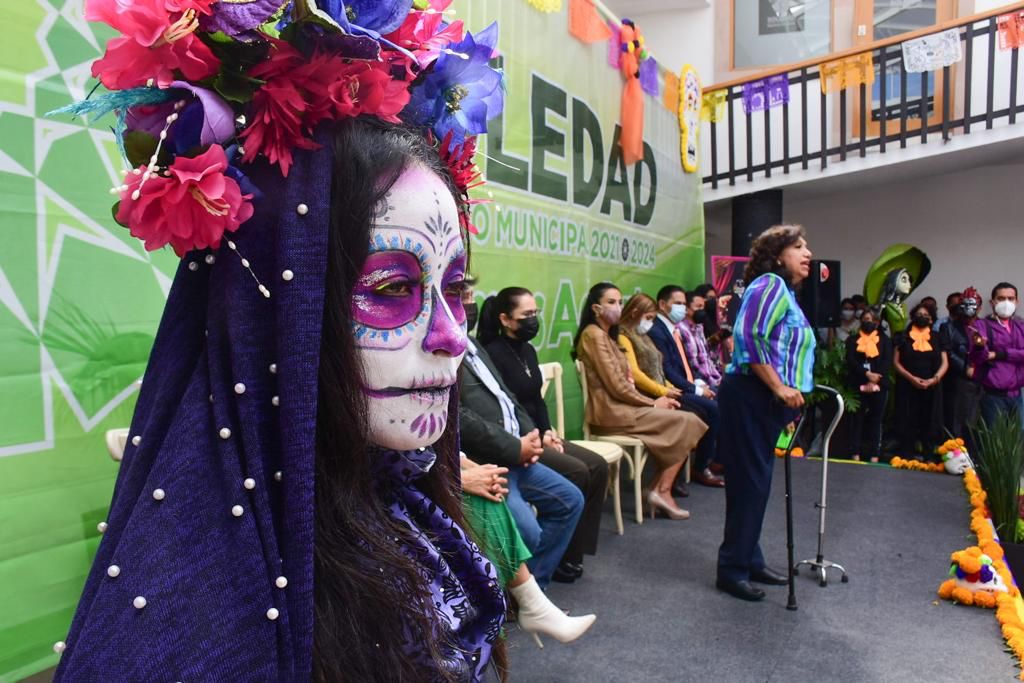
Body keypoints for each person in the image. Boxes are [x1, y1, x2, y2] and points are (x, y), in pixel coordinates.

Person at [52, 4, 510, 676]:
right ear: (279, 306)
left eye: (458, 289)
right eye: (391, 289)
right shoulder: (198, 622)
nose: (451, 338)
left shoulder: (399, 495)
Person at [477, 287, 609, 584]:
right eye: (527, 315)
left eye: (535, 313)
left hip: (539, 433)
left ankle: (572, 554)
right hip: (520, 440)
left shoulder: (527, 350)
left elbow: (536, 400)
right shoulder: (493, 353)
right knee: (577, 471)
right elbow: (506, 407)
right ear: (506, 319)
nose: (534, 320)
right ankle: (552, 563)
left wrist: (549, 431)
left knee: (597, 466)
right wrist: (535, 436)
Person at [715, 224, 816, 603]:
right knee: (749, 484)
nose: (807, 253)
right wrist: (777, 386)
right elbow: (751, 336)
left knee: (756, 482)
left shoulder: (783, 290)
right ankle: (731, 570)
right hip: (750, 394)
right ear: (777, 255)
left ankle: (749, 558)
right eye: (798, 247)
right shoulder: (770, 284)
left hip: (762, 398)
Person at [573, 283, 708, 520]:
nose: (618, 307)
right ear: (596, 308)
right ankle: (660, 491)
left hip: (625, 408)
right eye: (611, 302)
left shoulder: (607, 335)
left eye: (620, 301)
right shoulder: (593, 335)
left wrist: (656, 400)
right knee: (689, 422)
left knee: (689, 420)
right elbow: (617, 387)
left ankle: (658, 489)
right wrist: (652, 404)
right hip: (611, 413)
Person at [460, 457, 595, 647]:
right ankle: (528, 603)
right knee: (505, 515)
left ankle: (531, 600)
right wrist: (458, 477)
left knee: (574, 493)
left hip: (510, 458)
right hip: (493, 454)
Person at [647, 285, 724, 488]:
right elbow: (668, 370)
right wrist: (696, 390)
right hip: (670, 389)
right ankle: (701, 467)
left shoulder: (673, 329)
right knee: (712, 408)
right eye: (678, 304)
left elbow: (686, 364)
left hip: (685, 384)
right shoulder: (657, 331)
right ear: (662, 305)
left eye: (683, 303)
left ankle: (717, 459)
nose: (681, 308)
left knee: (721, 399)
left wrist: (698, 382)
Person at [893, 303, 949, 459]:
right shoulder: (903, 336)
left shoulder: (938, 337)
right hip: (907, 384)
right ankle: (906, 454)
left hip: (932, 385)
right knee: (908, 418)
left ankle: (928, 455)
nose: (922, 318)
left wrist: (934, 379)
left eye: (926, 315)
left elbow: (945, 362)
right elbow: (896, 362)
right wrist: (911, 378)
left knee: (930, 419)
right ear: (912, 316)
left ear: (931, 319)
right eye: (919, 314)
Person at [969, 283, 1024, 426]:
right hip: (993, 395)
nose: (1007, 303)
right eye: (1001, 298)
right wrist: (980, 347)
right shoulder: (981, 325)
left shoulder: (1020, 326)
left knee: (1018, 439)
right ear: (992, 302)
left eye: (1011, 298)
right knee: (994, 440)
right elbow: (979, 357)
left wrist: (999, 354)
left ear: (1017, 302)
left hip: (1017, 395)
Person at [846, 309, 893, 463]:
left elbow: (887, 361)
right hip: (858, 381)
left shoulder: (885, 340)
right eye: (865, 319)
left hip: (879, 384)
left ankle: (874, 454)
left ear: (877, 322)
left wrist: (874, 379)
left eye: (871, 319)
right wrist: (866, 375)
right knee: (857, 419)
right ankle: (855, 453)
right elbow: (851, 360)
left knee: (876, 419)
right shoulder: (853, 340)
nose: (868, 322)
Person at [939, 287, 983, 439]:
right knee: (956, 422)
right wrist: (966, 368)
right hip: (958, 380)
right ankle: (956, 458)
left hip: (982, 381)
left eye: (973, 304)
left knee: (977, 424)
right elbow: (948, 352)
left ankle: (974, 459)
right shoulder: (948, 327)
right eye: (965, 303)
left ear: (980, 307)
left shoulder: (985, 326)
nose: (969, 308)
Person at [678, 291, 723, 391]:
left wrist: (719, 377)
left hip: (713, 379)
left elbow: (706, 359)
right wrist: (714, 382)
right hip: (702, 383)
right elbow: (694, 364)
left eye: (703, 307)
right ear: (687, 309)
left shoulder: (699, 327)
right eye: (698, 307)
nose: (702, 311)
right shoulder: (681, 329)